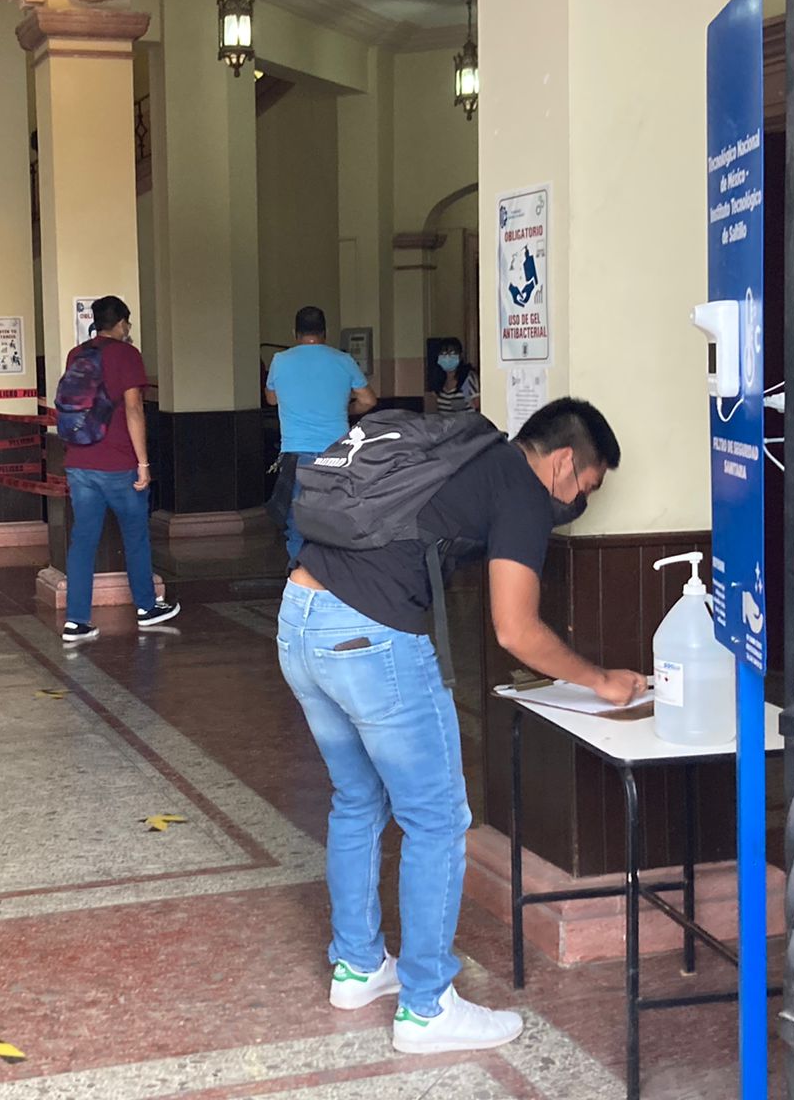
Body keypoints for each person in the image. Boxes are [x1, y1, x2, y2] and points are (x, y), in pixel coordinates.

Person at [277, 397, 647, 1054]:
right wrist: (600, 679)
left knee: (357, 799)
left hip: (299, 620)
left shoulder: (465, 454)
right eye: (586, 488)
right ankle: (426, 1007)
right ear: (563, 462)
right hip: (372, 640)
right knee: (438, 820)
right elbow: (515, 630)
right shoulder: (522, 491)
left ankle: (358, 968)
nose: (579, 502)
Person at [59, 295, 179, 644]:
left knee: (83, 540)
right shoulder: (127, 355)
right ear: (123, 323)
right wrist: (143, 464)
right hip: (118, 463)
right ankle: (146, 607)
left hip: (79, 461)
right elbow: (134, 410)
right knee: (135, 535)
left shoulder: (77, 354)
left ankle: (76, 621)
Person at [265, 306, 378, 567]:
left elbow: (271, 398)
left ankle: (300, 573)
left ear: (295, 332)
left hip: (297, 455)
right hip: (337, 454)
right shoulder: (343, 360)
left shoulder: (280, 360)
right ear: (325, 332)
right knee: (334, 518)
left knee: (298, 520)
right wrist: (346, 409)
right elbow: (368, 400)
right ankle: (334, 573)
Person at [427, 337, 479, 413]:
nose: (447, 357)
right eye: (443, 354)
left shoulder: (466, 379)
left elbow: (476, 405)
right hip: (444, 420)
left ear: (460, 356)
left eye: (452, 353)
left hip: (466, 420)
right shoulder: (439, 380)